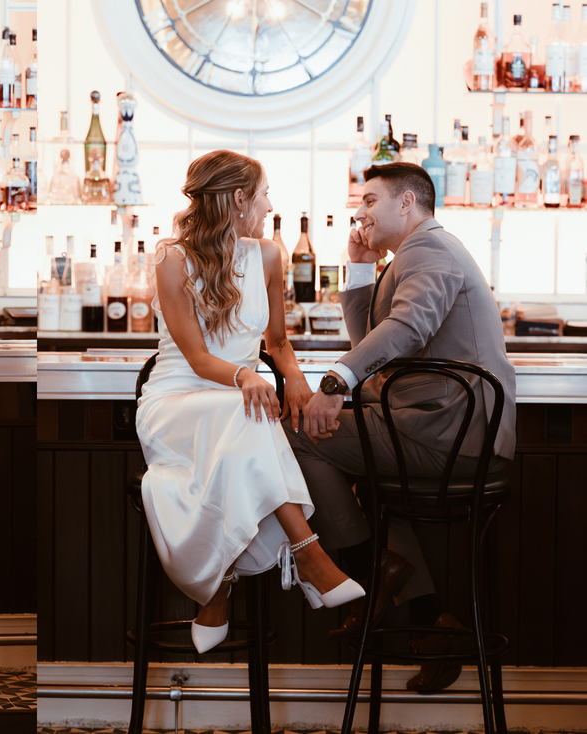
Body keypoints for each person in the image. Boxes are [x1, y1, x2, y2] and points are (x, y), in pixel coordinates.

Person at [285, 162, 516, 691]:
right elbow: (376, 335)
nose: (359, 211)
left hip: (453, 440)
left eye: (369, 201)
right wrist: (361, 268)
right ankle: (424, 609)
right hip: (434, 430)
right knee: (362, 473)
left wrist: (336, 381)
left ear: (407, 203)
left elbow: (408, 329)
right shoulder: (409, 255)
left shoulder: (429, 249)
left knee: (296, 433)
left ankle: (369, 570)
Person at [136, 149, 364, 655]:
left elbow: (278, 342)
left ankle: (219, 590)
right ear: (240, 199)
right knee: (249, 413)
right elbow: (196, 358)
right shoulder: (170, 258)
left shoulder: (268, 256)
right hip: (176, 403)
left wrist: (299, 384)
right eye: (263, 195)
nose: (268, 205)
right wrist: (244, 374)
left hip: (236, 407)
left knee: (247, 424)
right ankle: (309, 555)